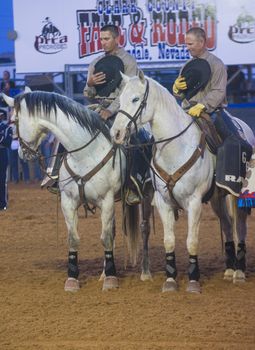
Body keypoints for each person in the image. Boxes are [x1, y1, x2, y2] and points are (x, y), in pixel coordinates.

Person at [44, 24, 151, 204]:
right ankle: (55, 174)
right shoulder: (96, 62)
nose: (103, 43)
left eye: (106, 39)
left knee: (141, 137)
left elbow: (130, 91)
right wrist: (90, 83)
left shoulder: (129, 61)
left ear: (117, 39)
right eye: (101, 39)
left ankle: (135, 185)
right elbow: (88, 94)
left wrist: (111, 110)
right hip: (98, 108)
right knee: (69, 128)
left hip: (124, 109)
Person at [172, 27, 252, 196]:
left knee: (234, 143)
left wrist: (203, 105)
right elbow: (181, 92)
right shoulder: (187, 65)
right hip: (186, 111)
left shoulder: (217, 64)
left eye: (190, 43)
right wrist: (177, 89)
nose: (187, 47)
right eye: (186, 44)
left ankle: (235, 182)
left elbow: (218, 91)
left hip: (212, 111)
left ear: (202, 42)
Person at [0, 109, 13, 210]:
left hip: (2, 154)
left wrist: (1, 139)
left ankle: (3, 203)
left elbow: (7, 143)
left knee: (2, 179)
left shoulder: (7, 128)